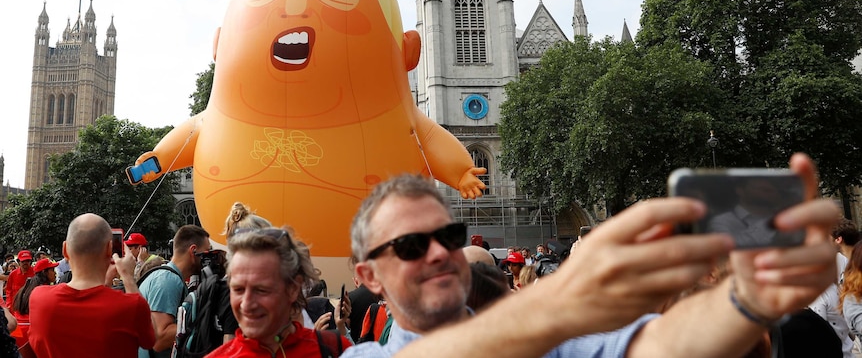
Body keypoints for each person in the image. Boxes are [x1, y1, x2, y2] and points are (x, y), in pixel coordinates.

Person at [346, 153, 838, 358]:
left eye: (449, 235)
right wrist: (554, 304)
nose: (438, 253)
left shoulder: (552, 344)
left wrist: (744, 299)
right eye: (411, 246)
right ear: (368, 274)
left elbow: (661, 345)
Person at [206, 226, 351, 357]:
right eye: (238, 290)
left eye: (261, 290)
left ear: (293, 289)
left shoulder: (335, 350)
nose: (246, 304)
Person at [28, 213, 154, 357]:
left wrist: (105, 282)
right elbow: (150, 341)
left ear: (65, 249)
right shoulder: (132, 305)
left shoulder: (38, 298)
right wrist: (128, 277)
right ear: (109, 249)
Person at [139, 225, 211, 358]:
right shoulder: (168, 280)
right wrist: (203, 322)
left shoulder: (169, 277)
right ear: (193, 251)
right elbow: (159, 338)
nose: (209, 259)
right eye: (206, 253)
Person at [10, 258, 57, 346]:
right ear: (44, 272)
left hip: (18, 333)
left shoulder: (28, 286)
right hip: (30, 332)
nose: (55, 273)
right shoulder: (44, 291)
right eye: (52, 270)